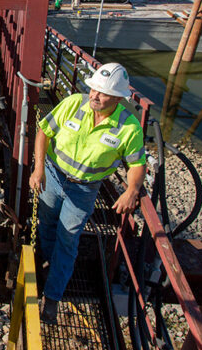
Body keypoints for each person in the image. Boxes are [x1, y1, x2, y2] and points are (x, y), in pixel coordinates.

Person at [28, 62, 146, 324]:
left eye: (103, 93)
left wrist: (132, 189)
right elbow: (44, 132)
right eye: (94, 89)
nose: (95, 95)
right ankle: (48, 262)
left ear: (118, 98)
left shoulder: (129, 127)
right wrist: (39, 169)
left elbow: (137, 164)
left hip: (84, 189)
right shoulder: (73, 104)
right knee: (47, 225)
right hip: (54, 176)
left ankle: (53, 296)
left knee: (68, 239)